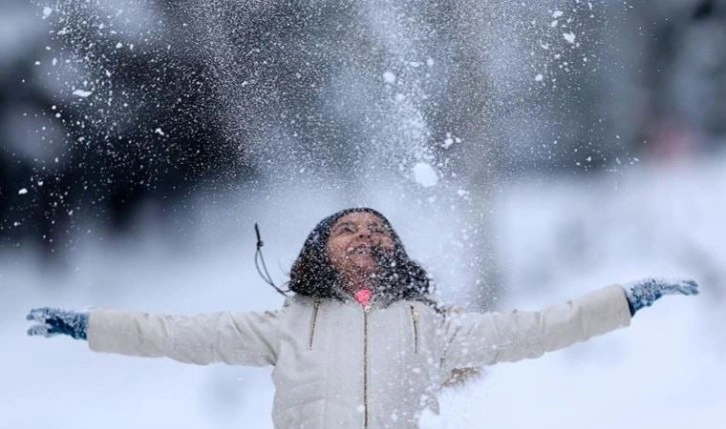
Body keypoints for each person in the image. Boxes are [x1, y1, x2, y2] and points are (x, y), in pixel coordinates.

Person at [27, 207, 699, 429]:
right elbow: (172, 333)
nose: (365, 236)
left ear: (394, 252)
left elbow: (534, 327)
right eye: (347, 228)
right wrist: (89, 325)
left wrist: (624, 300)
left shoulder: (427, 326)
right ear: (319, 250)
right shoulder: (286, 323)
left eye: (378, 229)